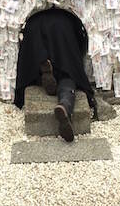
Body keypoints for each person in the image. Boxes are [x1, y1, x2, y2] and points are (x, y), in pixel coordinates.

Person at [14, 7, 96, 142]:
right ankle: (64, 105)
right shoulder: (71, 16)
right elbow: (79, 46)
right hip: (64, 25)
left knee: (35, 65)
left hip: (35, 24)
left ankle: (43, 70)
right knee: (68, 74)